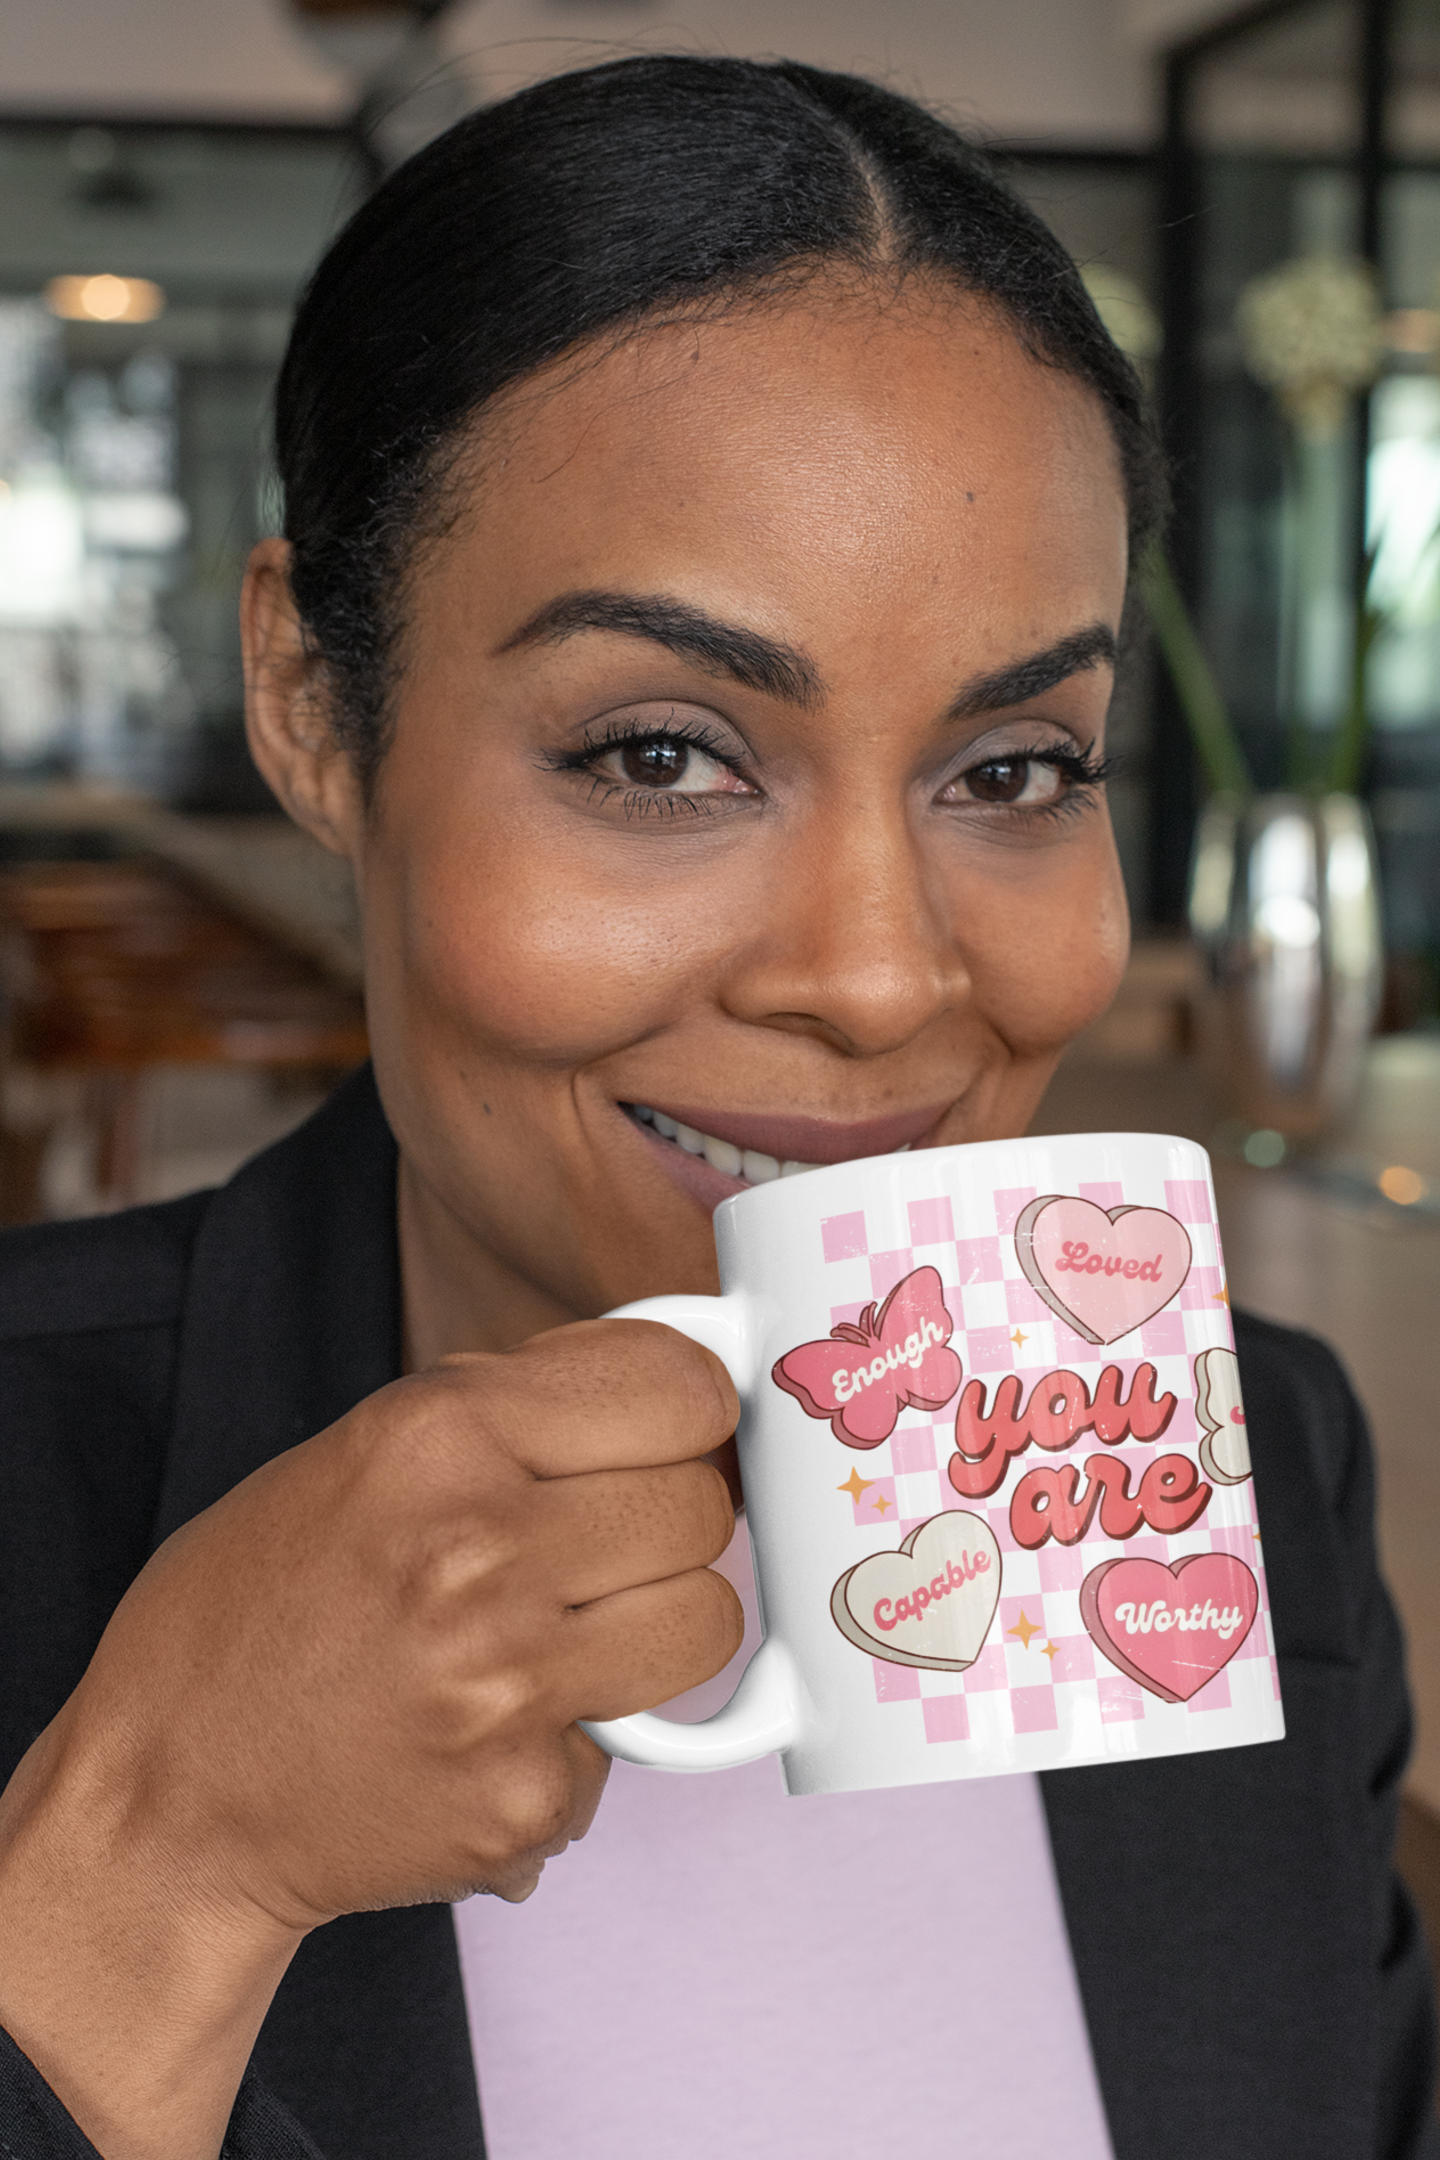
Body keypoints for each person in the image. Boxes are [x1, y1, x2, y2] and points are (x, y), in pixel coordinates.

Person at [0, 53, 1433, 2160]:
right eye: (663, 755)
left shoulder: (1245, 1452)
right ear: (314, 702)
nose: (874, 977)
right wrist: (160, 1869)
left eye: (1015, 767)